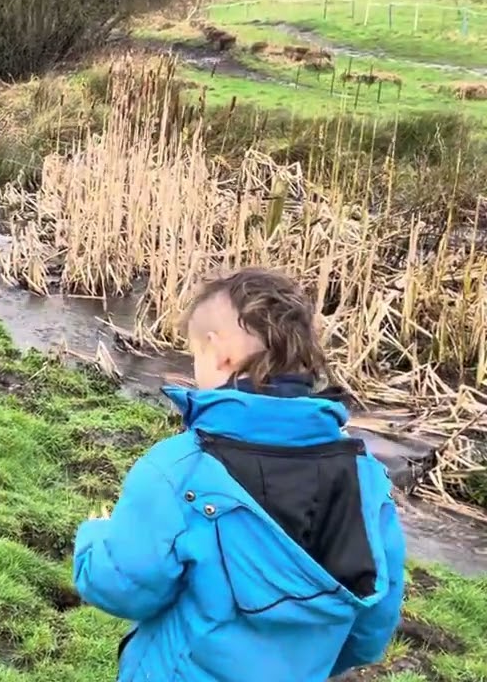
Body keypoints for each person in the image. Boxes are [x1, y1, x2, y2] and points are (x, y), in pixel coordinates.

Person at [72, 268, 406, 681]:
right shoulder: (366, 478)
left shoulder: (177, 470)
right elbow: (373, 623)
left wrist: (93, 539)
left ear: (218, 352)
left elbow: (125, 587)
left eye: (194, 353)